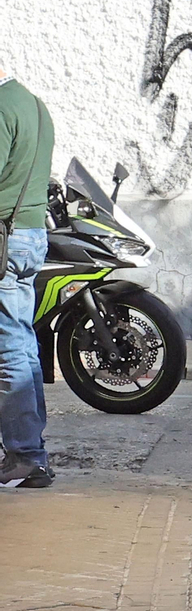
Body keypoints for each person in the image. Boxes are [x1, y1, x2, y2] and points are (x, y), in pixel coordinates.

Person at [0, 71, 55, 487]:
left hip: (5, 236)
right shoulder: (35, 105)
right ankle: (30, 448)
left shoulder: (2, 108)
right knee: (22, 343)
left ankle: (25, 456)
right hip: (31, 234)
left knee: (9, 350)